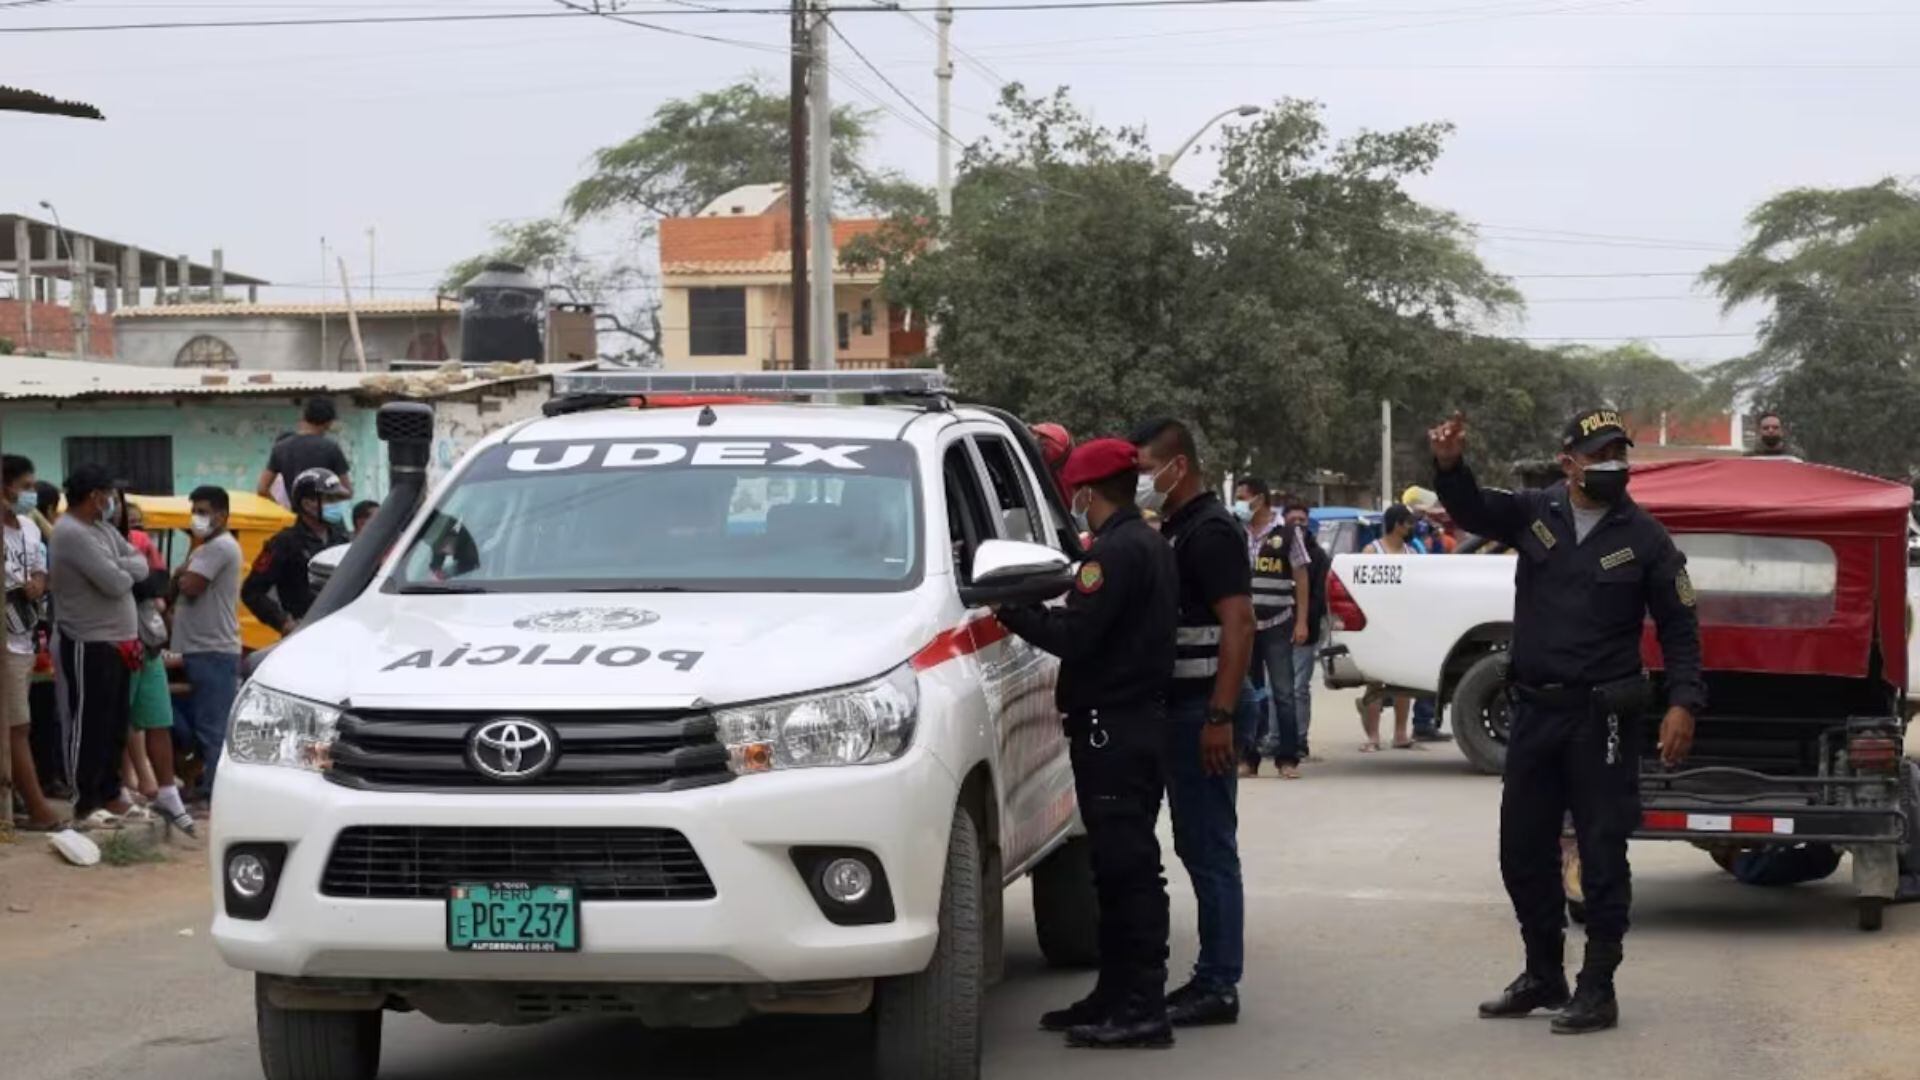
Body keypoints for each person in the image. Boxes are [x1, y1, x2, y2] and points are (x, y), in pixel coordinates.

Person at [1432, 407, 1703, 1036]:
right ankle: (1543, 973)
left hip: (1602, 717)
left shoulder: (1647, 539)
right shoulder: (1535, 513)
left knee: (1602, 852)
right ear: (1569, 461)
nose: (1614, 463)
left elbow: (1681, 627)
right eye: (1601, 453)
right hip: (1535, 713)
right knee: (1522, 849)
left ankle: (1598, 986)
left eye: (1620, 452)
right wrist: (1449, 466)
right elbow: (1470, 509)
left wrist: (1684, 701)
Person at [995, 438, 1180, 1049]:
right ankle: (1117, 994)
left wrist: (1008, 609)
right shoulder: (1144, 542)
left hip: (1116, 729)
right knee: (1115, 868)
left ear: (1084, 493)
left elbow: (1074, 635)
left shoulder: (1116, 554)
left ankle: (1141, 1008)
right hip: (1129, 724)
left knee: (1128, 872)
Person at [1131, 417, 1255, 1027]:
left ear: (1178, 465)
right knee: (1196, 843)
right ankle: (1212, 976)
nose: (1142, 480)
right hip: (1180, 707)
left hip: (1201, 708)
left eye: (1146, 468)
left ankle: (1218, 984)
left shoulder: (1210, 531)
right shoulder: (1178, 528)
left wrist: (1219, 715)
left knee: (1209, 848)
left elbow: (1239, 624)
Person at [49, 464, 158, 827]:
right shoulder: (71, 533)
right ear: (94, 496)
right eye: (109, 494)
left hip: (119, 641)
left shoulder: (102, 529)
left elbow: (141, 565)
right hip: (88, 641)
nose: (112, 501)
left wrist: (122, 567)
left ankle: (111, 793)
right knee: (88, 723)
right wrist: (123, 569)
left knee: (115, 723)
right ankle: (85, 801)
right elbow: (114, 582)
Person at [115, 496, 190, 833]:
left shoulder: (141, 541)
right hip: (116, 640)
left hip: (145, 640)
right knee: (121, 720)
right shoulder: (92, 541)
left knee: (157, 717)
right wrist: (139, 580)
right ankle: (126, 784)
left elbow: (156, 585)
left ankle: (165, 790)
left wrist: (136, 580)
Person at [172, 485, 245, 804]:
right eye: (195, 512)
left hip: (212, 648)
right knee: (193, 725)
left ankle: (214, 791)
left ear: (222, 515)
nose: (197, 518)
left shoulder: (218, 548)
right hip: (198, 648)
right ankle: (201, 783)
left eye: (203, 512)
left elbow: (189, 585)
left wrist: (180, 574)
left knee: (212, 728)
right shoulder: (205, 548)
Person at [4, 455, 62, 835]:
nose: (30, 493)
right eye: (25, 486)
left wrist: (39, 582)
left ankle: (18, 806)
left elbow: (43, 567)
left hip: (25, 635)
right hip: (6, 641)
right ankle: (37, 808)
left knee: (15, 725)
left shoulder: (28, 527)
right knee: (17, 726)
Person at [1244, 483, 1311, 779]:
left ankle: (1287, 758)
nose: (1238, 504)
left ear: (1260, 499)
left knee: (1283, 693)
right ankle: (1248, 757)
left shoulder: (1286, 533)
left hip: (1278, 623)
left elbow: (1301, 575)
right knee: (1248, 694)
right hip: (1244, 626)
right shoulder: (1237, 531)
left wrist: (1301, 621)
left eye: (1242, 498)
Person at [245, 468, 350, 635]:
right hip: (304, 632)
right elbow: (252, 592)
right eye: (329, 499)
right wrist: (283, 622)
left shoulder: (342, 539)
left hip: (341, 628)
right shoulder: (285, 542)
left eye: (337, 499)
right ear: (307, 503)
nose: (336, 505)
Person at [1357, 505, 1425, 753]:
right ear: (1397, 524)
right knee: (1375, 682)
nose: (1411, 527)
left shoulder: (1411, 554)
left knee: (1402, 683)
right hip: (1375, 626)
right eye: (1408, 523)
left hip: (1403, 626)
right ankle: (1373, 737)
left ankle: (1400, 734)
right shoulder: (1371, 552)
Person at [1283, 500, 1329, 764]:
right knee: (1276, 687)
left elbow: (1319, 597)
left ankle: (1299, 740)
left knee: (1299, 688)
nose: (1298, 524)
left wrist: (1303, 622)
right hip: (1275, 629)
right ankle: (1276, 739)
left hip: (1305, 630)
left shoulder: (1317, 555)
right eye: (1293, 520)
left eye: (1302, 520)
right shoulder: (1276, 548)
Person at [257, 398, 353, 506]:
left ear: (304, 417)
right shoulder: (331, 448)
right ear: (329, 423)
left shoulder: (280, 448)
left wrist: (282, 510)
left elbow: (262, 489)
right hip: (322, 519)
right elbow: (347, 492)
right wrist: (320, 501)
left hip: (295, 518)